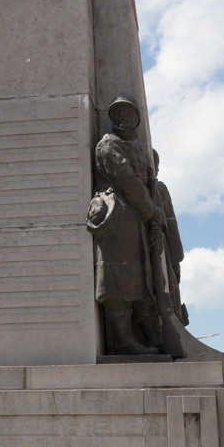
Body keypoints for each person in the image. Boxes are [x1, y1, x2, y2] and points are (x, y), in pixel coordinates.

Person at [87, 94, 164, 355]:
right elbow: (127, 180)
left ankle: (151, 336)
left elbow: (144, 183)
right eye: (116, 113)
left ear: (137, 119)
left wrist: (152, 214)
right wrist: (151, 210)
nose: (122, 117)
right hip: (117, 213)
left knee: (139, 278)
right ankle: (123, 341)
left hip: (135, 217)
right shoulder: (108, 144)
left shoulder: (140, 148)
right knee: (117, 278)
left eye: (127, 113)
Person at [152, 149, 188, 325]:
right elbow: (172, 225)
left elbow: (171, 223)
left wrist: (176, 259)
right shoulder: (159, 188)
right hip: (163, 250)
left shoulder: (158, 188)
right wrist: (176, 261)